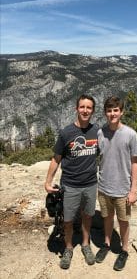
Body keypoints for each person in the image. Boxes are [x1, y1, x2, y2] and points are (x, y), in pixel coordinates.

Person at [44, 94, 98, 270]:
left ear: (93, 111)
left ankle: (85, 244)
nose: (85, 110)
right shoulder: (66, 133)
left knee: (88, 216)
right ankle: (68, 248)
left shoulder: (96, 131)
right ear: (76, 109)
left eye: (88, 107)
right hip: (70, 185)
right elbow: (56, 158)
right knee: (67, 220)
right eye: (82, 107)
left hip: (90, 184)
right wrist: (48, 181)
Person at [96, 96, 137, 271]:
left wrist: (133, 190)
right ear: (105, 113)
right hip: (104, 186)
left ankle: (124, 250)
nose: (112, 113)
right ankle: (107, 244)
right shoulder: (101, 133)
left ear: (121, 112)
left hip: (123, 189)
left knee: (123, 221)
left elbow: (135, 162)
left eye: (116, 110)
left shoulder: (130, 134)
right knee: (107, 218)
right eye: (109, 110)